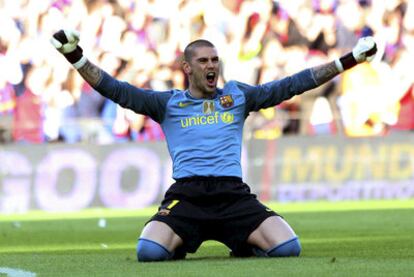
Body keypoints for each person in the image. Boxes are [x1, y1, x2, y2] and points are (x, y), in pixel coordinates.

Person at [51, 29, 377, 262]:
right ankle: (179, 242)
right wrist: (75, 56)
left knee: (288, 248)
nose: (212, 66)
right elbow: (115, 90)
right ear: (187, 68)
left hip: (233, 195)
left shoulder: (237, 96)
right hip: (187, 195)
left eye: (215, 60)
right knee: (148, 253)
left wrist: (348, 60)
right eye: (204, 61)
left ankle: (242, 243)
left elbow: (291, 85)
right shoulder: (167, 103)